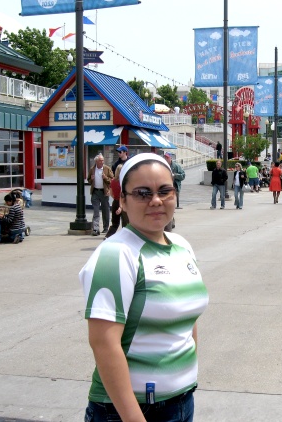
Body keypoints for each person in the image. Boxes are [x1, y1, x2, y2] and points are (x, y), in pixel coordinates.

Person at [79, 153, 208, 422]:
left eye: (164, 190)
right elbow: (103, 343)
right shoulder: (116, 254)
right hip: (131, 411)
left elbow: (187, 319)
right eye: (142, 193)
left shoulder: (181, 245)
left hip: (181, 401)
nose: (156, 201)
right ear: (122, 201)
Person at [88, 155, 114, 236]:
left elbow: (112, 180)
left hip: (104, 192)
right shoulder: (92, 169)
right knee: (96, 211)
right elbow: (88, 180)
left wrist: (105, 178)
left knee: (105, 210)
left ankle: (106, 228)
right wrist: (91, 179)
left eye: (103, 160)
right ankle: (95, 229)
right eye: (100, 160)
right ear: (96, 161)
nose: (102, 162)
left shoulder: (107, 169)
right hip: (95, 192)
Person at [105, 164, 129, 239]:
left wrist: (116, 199)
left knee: (115, 223)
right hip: (122, 203)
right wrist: (121, 207)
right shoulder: (123, 182)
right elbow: (121, 196)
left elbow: (111, 193)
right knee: (125, 224)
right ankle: (125, 239)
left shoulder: (113, 181)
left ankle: (108, 237)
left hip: (115, 202)